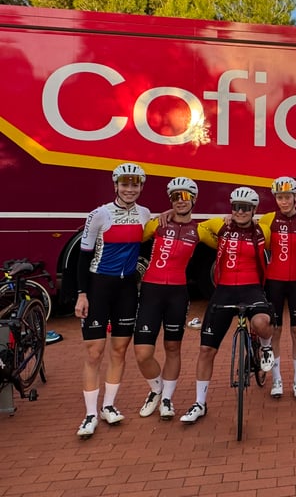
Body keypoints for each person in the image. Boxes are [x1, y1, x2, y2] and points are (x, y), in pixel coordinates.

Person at [179, 187, 275, 423]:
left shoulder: (262, 230)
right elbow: (194, 227)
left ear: (254, 210)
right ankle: (199, 403)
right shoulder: (219, 225)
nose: (240, 212)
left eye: (246, 208)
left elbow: (283, 220)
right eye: (236, 207)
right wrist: (169, 213)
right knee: (206, 350)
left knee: (262, 322)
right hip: (223, 290)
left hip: (252, 288)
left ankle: (265, 347)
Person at [74, 163, 151, 438]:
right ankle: (90, 414)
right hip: (99, 287)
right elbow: (82, 258)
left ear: (141, 187)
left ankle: (108, 406)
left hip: (127, 288)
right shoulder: (99, 214)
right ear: (116, 185)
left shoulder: (145, 214)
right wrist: (82, 294)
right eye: (125, 184)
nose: (130, 189)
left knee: (119, 350)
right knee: (94, 352)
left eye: (135, 185)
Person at [133, 177, 217, 420]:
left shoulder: (199, 230)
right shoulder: (157, 224)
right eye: (175, 196)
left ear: (194, 199)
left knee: (172, 347)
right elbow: (131, 236)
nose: (180, 201)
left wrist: (230, 220)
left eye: (185, 196)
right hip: (151, 290)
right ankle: (156, 389)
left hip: (178, 293)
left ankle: (167, 399)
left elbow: (225, 240)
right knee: (142, 353)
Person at [258, 176, 296, 400]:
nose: (284, 201)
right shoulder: (268, 219)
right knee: (276, 331)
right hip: (274, 281)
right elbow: (248, 229)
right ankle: (277, 379)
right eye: (280, 197)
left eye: (288, 197)